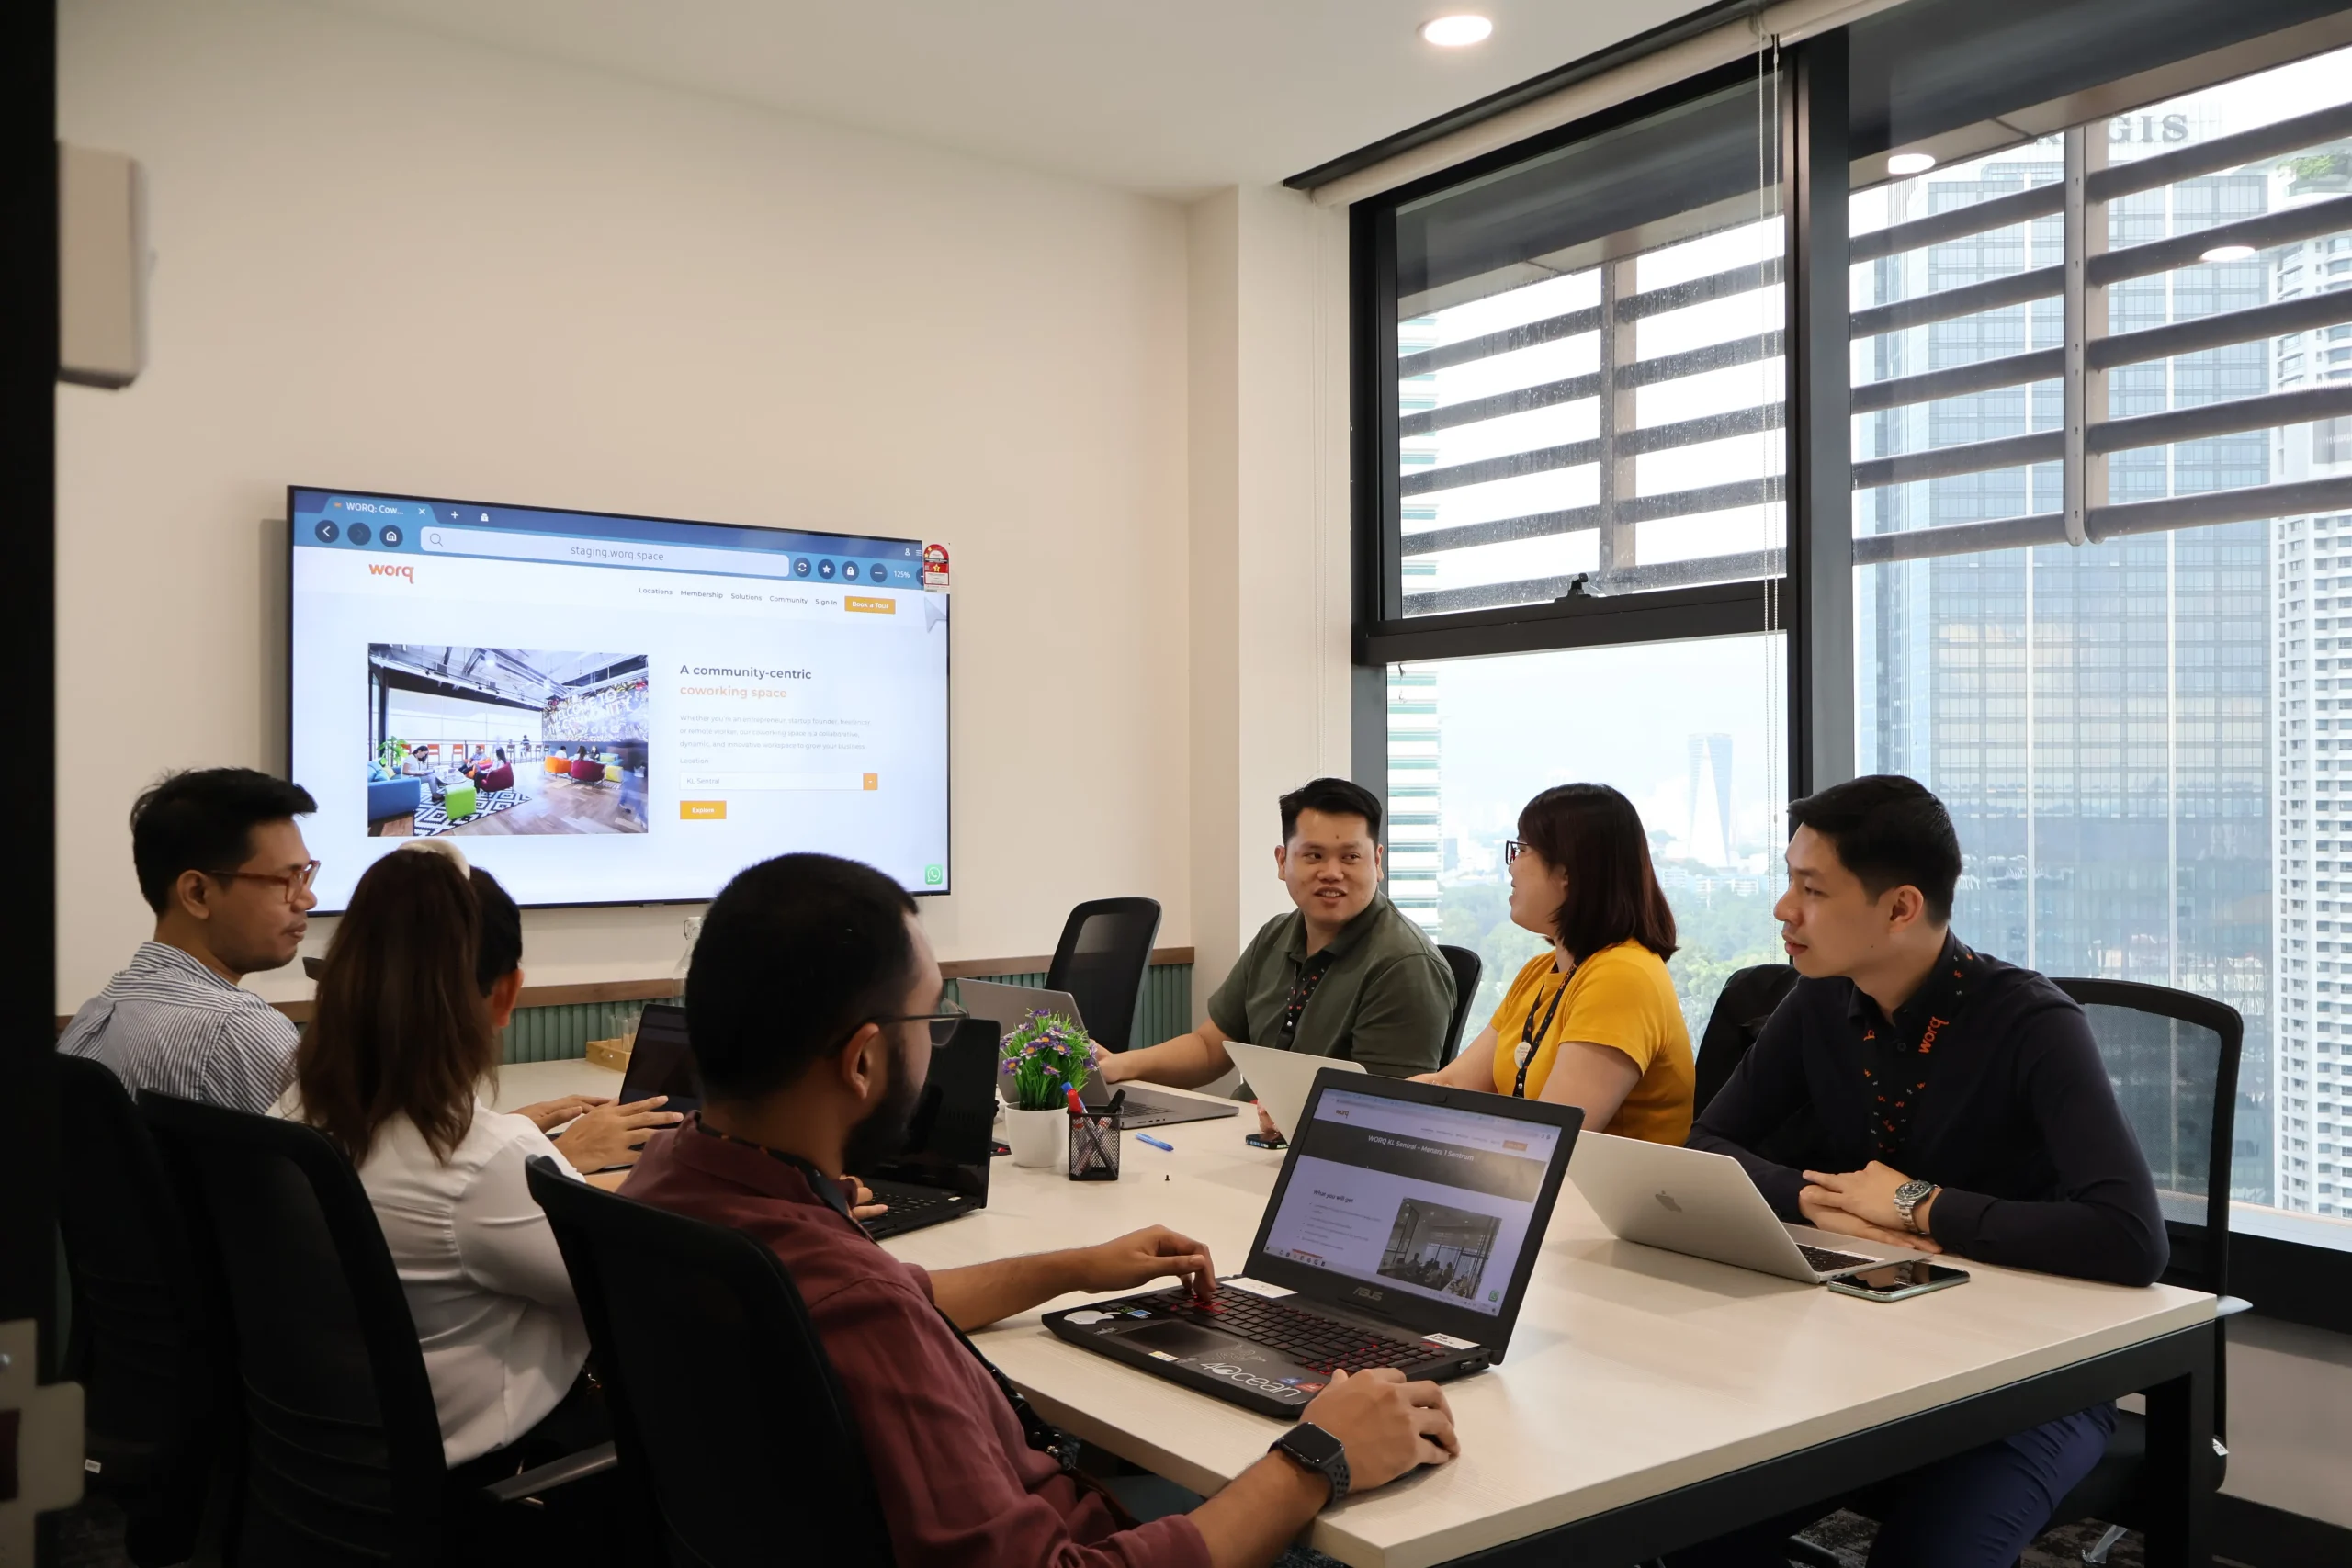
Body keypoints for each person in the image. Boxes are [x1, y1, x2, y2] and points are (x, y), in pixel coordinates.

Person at [622, 852, 1460, 1568]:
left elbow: (890, 1294)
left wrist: (1075, 1267)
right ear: (865, 1061)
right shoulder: (851, 1303)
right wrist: (1317, 1455)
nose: (937, 1039)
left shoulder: (678, 1177)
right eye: (928, 1016)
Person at [1675, 775, 2167, 1568]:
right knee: (1690, 1524)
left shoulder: (2032, 1023)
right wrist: (1811, 1196)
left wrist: (1914, 1203)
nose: (1783, 909)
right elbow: (1706, 1146)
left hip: (2030, 1377)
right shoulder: (1818, 1004)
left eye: (1811, 888)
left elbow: (2132, 1236)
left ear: (1901, 907)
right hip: (1866, 1355)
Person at [293, 840, 682, 1469]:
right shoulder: (487, 1163)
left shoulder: (286, 1113)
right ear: (507, 995)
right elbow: (637, 1292)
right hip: (503, 1471)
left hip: (331, 1460)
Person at [1095, 779, 1455, 1125]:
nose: (1332, 873)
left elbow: (1388, 1113)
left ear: (1377, 862)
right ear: (1283, 861)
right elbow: (1209, 1048)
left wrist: (1293, 1121)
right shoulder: (1275, 935)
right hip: (1248, 1136)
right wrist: (1121, 1065)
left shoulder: (1405, 965)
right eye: (1313, 855)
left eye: (1350, 857)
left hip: (1324, 1160)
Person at [1414, 784, 1694, 1143]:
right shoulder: (1541, 970)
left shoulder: (1622, 977)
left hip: (1598, 1196)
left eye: (1523, 849)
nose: (1512, 865)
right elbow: (1452, 1085)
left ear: (1568, 872)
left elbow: (1544, 1142)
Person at [62, 768, 320, 1112]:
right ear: (197, 893)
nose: (306, 900)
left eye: (306, 875)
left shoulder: (91, 1018)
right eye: (287, 880)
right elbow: (344, 1164)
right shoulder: (238, 1028)